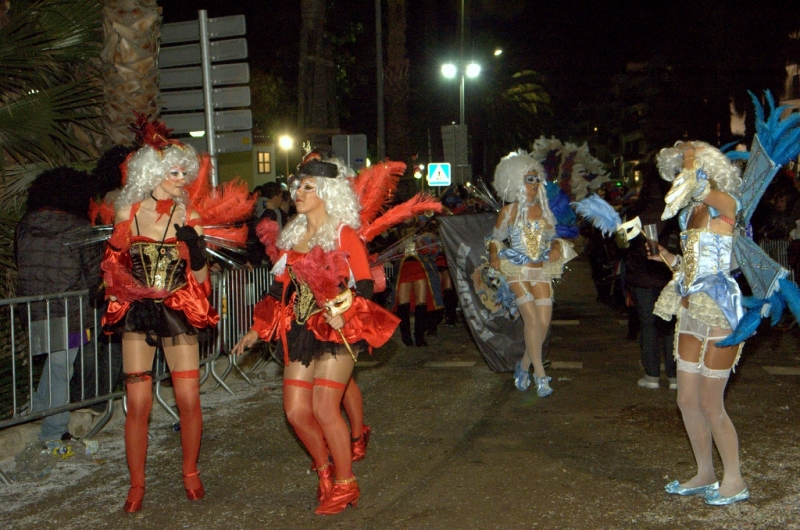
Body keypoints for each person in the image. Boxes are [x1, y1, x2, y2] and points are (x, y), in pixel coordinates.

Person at [232, 155, 400, 515]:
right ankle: (325, 471)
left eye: (308, 187)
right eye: (298, 186)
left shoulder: (343, 233)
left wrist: (343, 312)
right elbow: (280, 292)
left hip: (336, 331)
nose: (299, 192)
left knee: (325, 408)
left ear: (326, 192)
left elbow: (367, 285)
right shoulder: (293, 235)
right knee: (295, 412)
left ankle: (346, 483)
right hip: (299, 330)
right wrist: (256, 330)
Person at [101, 125, 220, 513]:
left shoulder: (191, 214)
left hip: (178, 308)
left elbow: (200, 282)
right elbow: (113, 266)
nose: (182, 179)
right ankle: (137, 484)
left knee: (188, 396)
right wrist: (120, 288)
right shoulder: (127, 212)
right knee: (137, 402)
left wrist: (196, 250)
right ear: (152, 173)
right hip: (137, 311)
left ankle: (190, 471)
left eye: (184, 172)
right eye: (174, 172)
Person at [650, 141, 749, 505]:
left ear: (706, 170)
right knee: (686, 399)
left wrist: (690, 156)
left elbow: (723, 201)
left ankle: (735, 479)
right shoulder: (689, 214)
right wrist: (664, 255)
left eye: (686, 169)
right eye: (677, 170)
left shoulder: (723, 205)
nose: (680, 176)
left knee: (711, 403)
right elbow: (689, 269)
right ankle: (706, 472)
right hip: (690, 312)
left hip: (721, 312)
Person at [15, 167, 103, 443]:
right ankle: (53, 430)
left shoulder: (26, 224)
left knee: (56, 364)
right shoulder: (80, 229)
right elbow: (93, 274)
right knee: (62, 367)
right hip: (71, 311)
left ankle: (38, 410)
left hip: (35, 310)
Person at [487, 150, 576, 396]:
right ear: (516, 182)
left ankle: (523, 367)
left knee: (544, 324)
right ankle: (541, 375)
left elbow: (554, 238)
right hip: (517, 270)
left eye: (537, 179)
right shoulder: (508, 212)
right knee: (533, 320)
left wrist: (556, 247)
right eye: (530, 179)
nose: (535, 184)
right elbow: (495, 240)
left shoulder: (546, 212)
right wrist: (495, 255)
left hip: (540, 270)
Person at [619, 161, 679, 389]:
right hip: (670, 274)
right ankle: (674, 376)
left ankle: (652, 374)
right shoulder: (676, 212)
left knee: (648, 325)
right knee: (671, 325)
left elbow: (622, 244)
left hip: (642, 277)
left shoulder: (636, 212)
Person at [394, 215, 443, 346]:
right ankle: (406, 336)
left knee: (421, 302)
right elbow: (390, 253)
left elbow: (436, 250)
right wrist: (399, 249)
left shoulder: (425, 233)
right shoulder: (397, 233)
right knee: (402, 303)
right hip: (404, 269)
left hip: (421, 267)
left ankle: (419, 336)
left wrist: (421, 246)